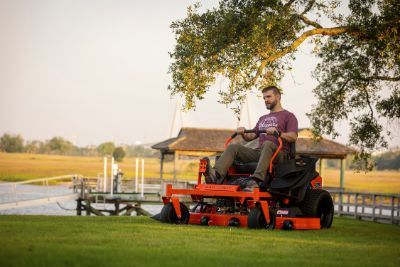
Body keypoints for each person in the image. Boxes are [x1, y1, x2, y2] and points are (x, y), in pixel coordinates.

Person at [204, 85, 298, 191]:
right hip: (261, 152)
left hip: (278, 153)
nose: (266, 100)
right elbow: (251, 137)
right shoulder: (263, 118)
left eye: (268, 97)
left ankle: (256, 181)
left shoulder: (289, 116)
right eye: (264, 98)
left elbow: (293, 137)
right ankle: (215, 175)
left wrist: (278, 133)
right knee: (233, 147)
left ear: (278, 97)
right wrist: (243, 132)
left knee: (267, 143)